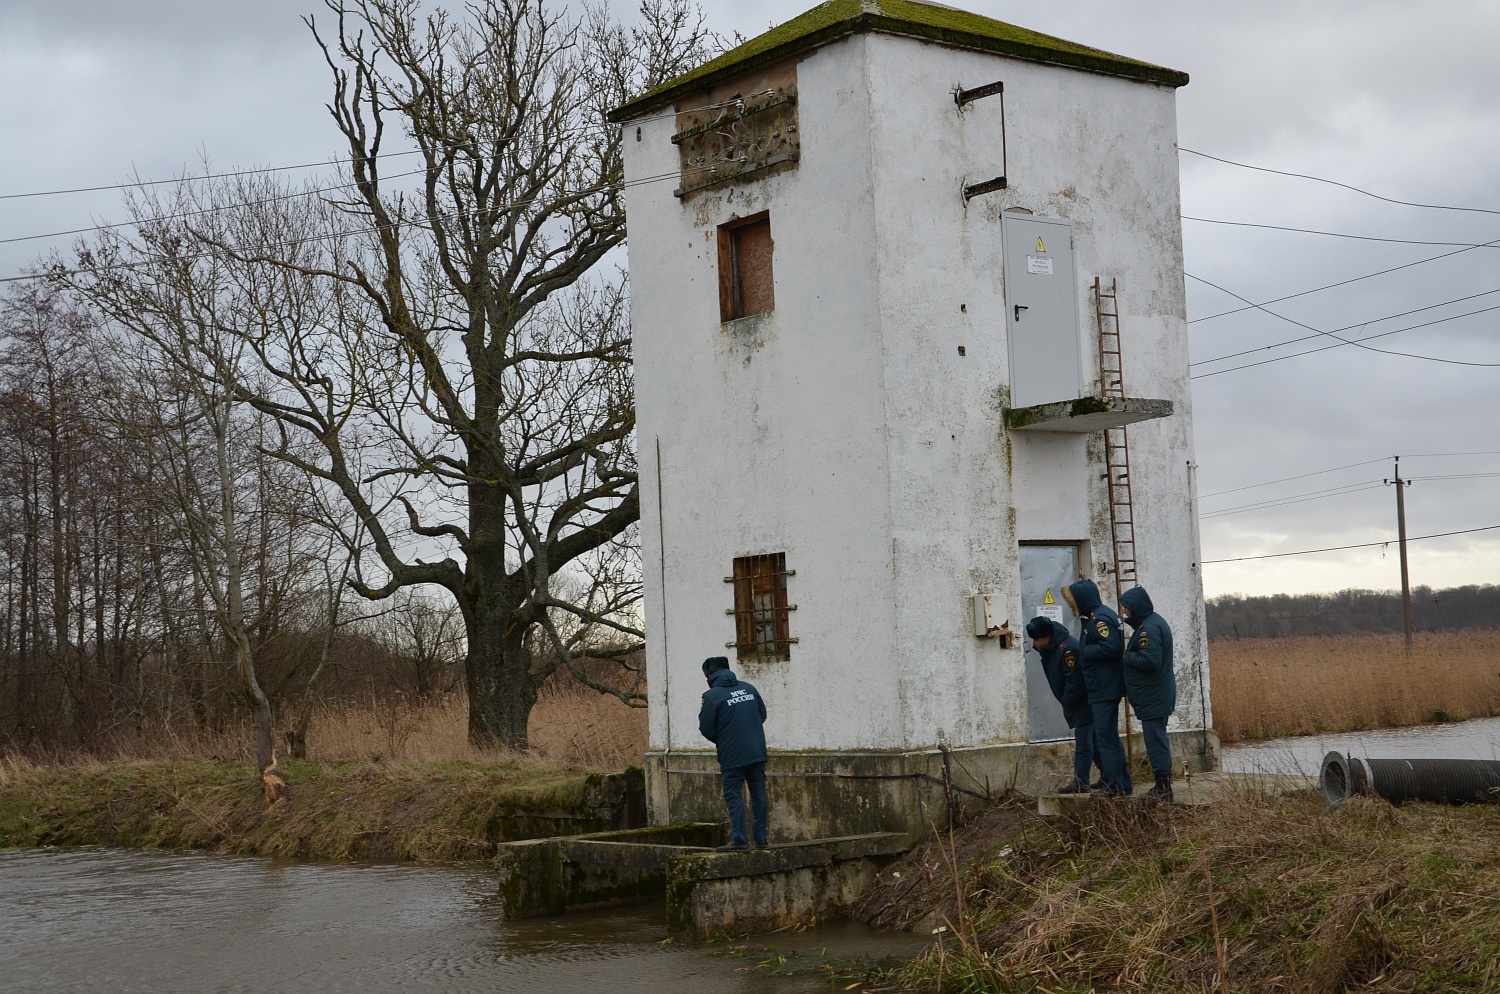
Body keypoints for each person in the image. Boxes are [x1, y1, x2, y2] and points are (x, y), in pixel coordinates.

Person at [1063, 579, 1131, 796]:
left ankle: (1117, 785)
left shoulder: (1099, 618)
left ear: (1083, 599)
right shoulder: (1095, 616)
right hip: (1101, 685)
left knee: (1106, 737)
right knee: (1108, 735)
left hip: (1104, 686)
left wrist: (1084, 652)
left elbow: (1112, 647)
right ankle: (1120, 782)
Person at [697, 656, 769, 851]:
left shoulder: (712, 696)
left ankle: (740, 839)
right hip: (756, 750)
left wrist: (726, 738)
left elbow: (706, 728)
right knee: (759, 795)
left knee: (734, 796)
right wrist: (747, 732)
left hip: (732, 755)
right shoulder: (749, 688)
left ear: (709, 675)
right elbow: (762, 714)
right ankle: (761, 839)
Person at [1025, 615, 1100, 794]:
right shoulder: (1055, 648)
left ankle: (1082, 781)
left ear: (1047, 637)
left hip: (1083, 702)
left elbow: (1075, 682)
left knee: (1084, 743)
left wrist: (1067, 702)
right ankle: (1108, 776)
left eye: (1036, 640)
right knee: (1094, 741)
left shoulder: (1067, 650)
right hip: (1081, 702)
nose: (1034, 644)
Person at [1119, 586, 1177, 802]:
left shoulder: (1148, 630)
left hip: (1154, 695)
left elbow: (1151, 661)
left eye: (1126, 607)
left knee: (1155, 740)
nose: (1124, 611)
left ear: (1136, 607)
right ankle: (1163, 785)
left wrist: (1126, 656)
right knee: (1157, 738)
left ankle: (1163, 788)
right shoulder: (1153, 622)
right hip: (1156, 693)